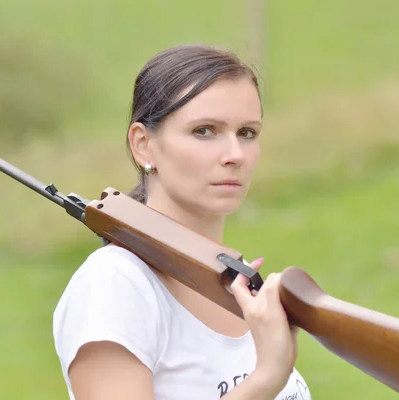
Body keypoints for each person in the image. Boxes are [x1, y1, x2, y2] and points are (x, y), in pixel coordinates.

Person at [53, 44, 311, 400]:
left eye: (247, 133)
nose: (235, 155)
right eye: (204, 131)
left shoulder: (234, 284)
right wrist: (265, 379)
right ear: (143, 145)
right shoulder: (116, 285)